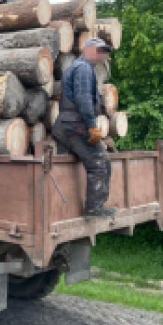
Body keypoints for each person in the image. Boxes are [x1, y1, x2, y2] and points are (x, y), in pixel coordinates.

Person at [52, 37, 117, 219]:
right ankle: (94, 209)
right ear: (87, 50)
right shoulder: (83, 69)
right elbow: (83, 100)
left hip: (65, 126)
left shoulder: (80, 67)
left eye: (104, 52)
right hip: (75, 126)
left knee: (64, 168)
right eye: (99, 51)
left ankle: (62, 212)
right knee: (100, 163)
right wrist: (92, 127)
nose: (102, 55)